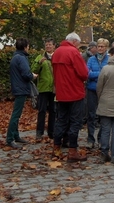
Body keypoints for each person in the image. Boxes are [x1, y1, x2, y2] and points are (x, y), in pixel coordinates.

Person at [52, 32, 89, 162]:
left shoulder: (57, 52)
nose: (78, 47)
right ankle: (72, 151)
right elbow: (84, 73)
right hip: (74, 92)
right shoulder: (73, 53)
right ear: (74, 42)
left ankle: (56, 148)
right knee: (75, 121)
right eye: (78, 45)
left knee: (61, 120)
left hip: (61, 93)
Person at [6, 38, 35, 149]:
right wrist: (33, 75)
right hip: (21, 88)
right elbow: (26, 74)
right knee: (16, 114)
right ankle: (10, 138)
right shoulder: (21, 58)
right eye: (28, 46)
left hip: (17, 88)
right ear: (25, 47)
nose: (28, 48)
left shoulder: (15, 57)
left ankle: (15, 135)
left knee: (16, 114)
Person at [85, 38, 109, 149]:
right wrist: (101, 74)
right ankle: (90, 139)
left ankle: (101, 139)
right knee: (91, 115)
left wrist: (95, 74)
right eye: (98, 46)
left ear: (106, 48)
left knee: (103, 116)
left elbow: (109, 74)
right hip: (92, 89)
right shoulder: (91, 59)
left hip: (105, 91)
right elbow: (87, 74)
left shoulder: (109, 59)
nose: (100, 48)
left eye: (102, 46)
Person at [32, 38, 56, 140]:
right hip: (43, 88)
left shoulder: (57, 57)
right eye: (46, 45)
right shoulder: (40, 57)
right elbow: (33, 70)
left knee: (53, 110)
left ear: (54, 46)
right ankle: (39, 132)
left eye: (50, 45)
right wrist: (39, 63)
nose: (48, 46)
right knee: (41, 110)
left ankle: (51, 131)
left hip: (54, 88)